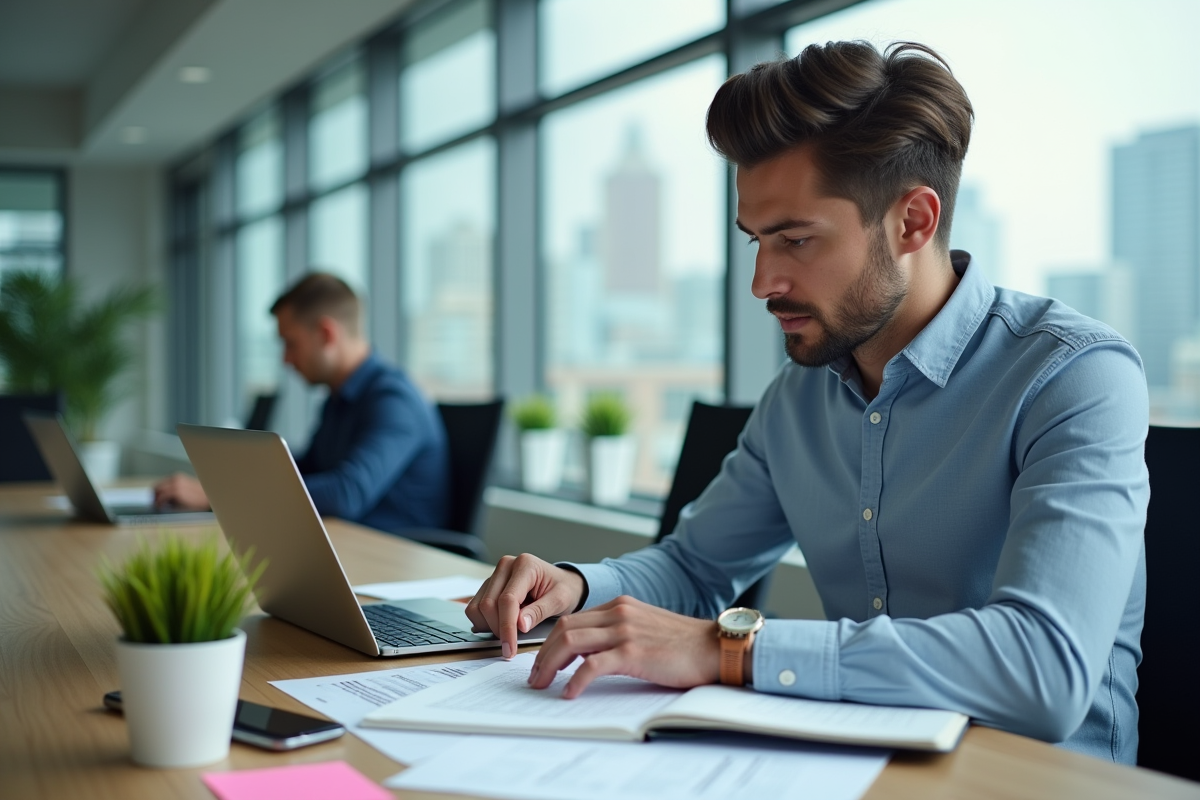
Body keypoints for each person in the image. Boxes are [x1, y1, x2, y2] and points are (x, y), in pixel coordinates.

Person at [465, 41, 1148, 764]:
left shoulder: (1074, 376)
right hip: (848, 763)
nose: (763, 282)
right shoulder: (798, 396)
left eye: (795, 239)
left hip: (1031, 776)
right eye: (757, 241)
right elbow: (696, 569)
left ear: (913, 222)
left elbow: (1044, 670)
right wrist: (577, 588)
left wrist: (726, 649)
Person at [156, 272, 450, 533]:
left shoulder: (395, 400)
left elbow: (346, 493)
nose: (286, 359)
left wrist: (223, 498)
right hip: (343, 542)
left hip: (393, 556)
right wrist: (229, 479)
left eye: (290, 343)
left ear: (326, 334)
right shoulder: (339, 398)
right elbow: (307, 468)